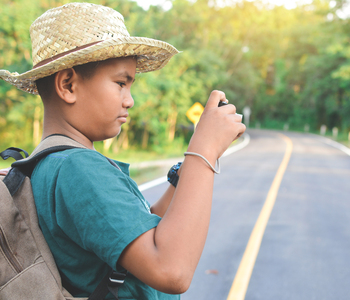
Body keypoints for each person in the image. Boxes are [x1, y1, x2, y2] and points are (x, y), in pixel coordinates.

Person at [0, 2, 245, 299]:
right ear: (67, 85)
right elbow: (172, 269)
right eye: (120, 83)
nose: (129, 100)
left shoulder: (48, 165)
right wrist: (202, 152)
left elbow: (136, 232)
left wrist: (192, 165)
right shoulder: (79, 169)